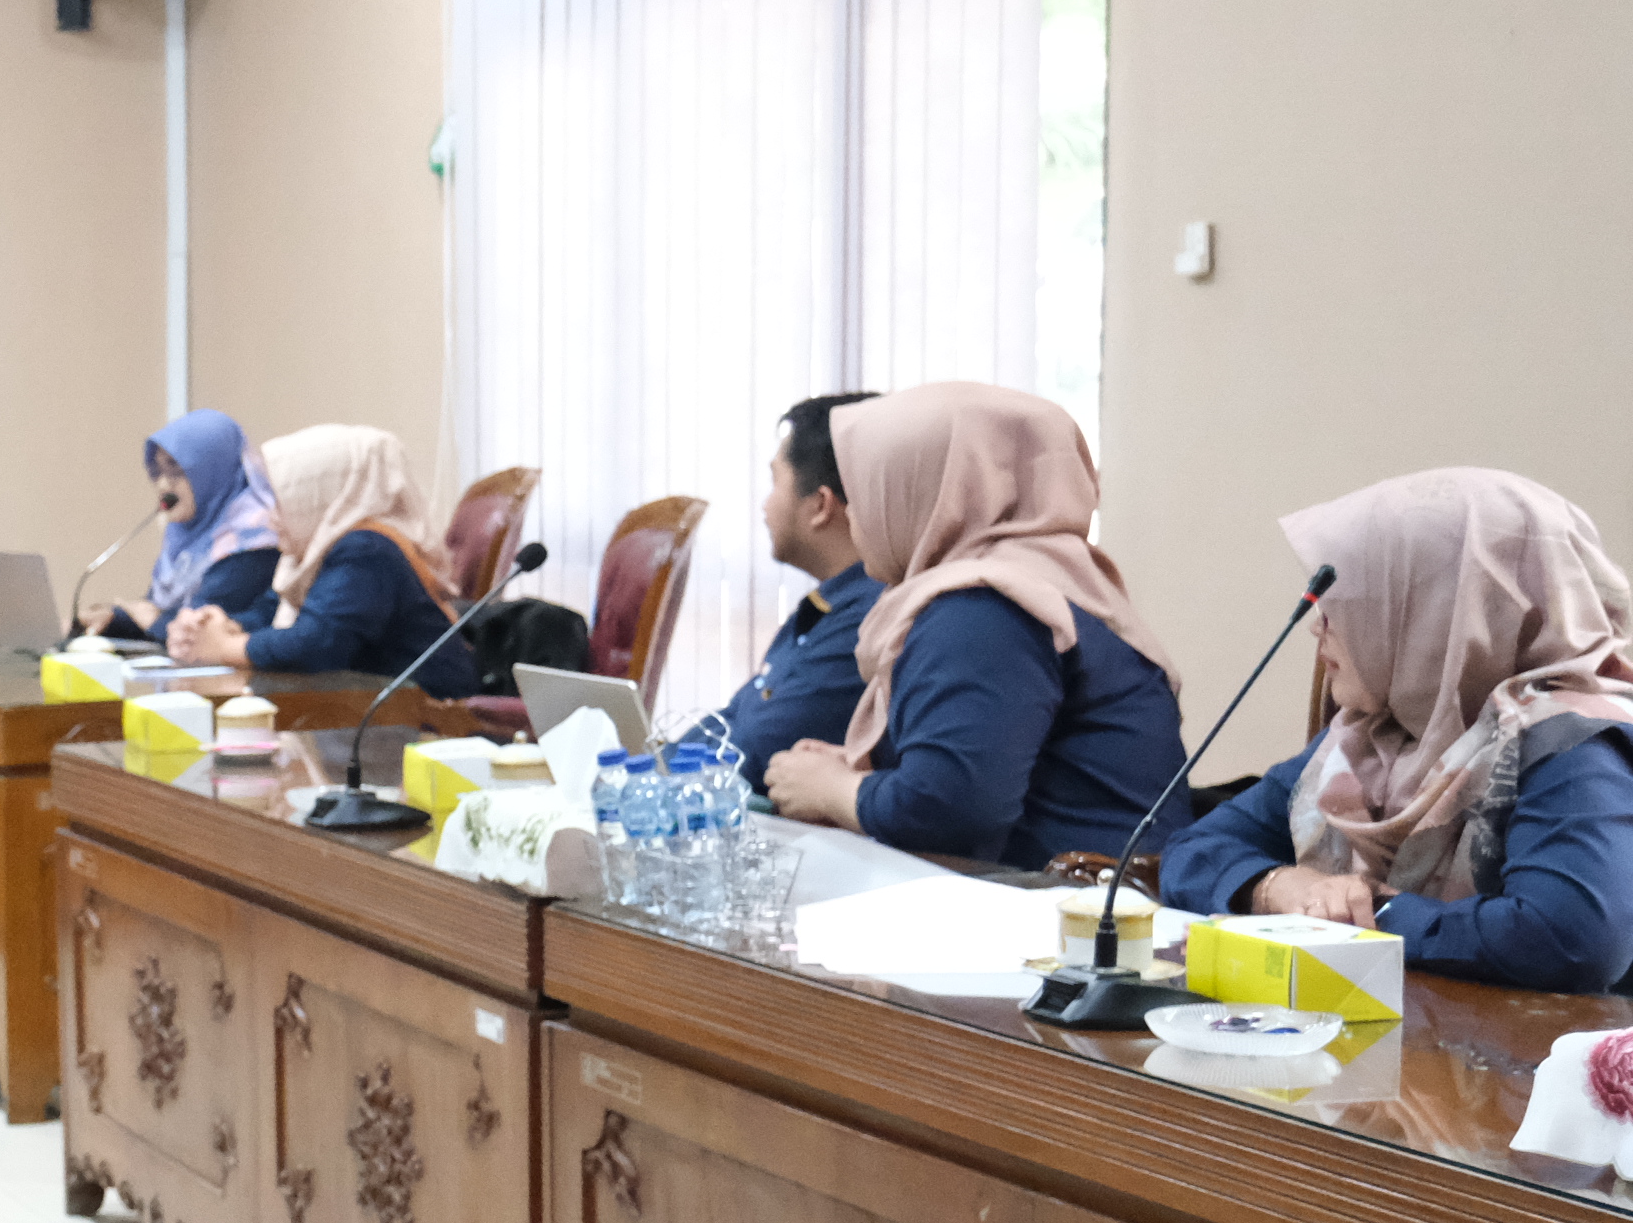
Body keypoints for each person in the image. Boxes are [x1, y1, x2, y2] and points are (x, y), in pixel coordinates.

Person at [1160, 470, 1633, 992]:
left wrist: (1366, 912)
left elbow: (1571, 941)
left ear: (1441, 611)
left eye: (1347, 605)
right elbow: (1192, 851)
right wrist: (1280, 887)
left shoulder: (1572, 744)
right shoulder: (1370, 737)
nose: (1318, 626)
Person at [762, 383, 1189, 867]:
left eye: (865, 491)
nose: (856, 513)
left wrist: (835, 791)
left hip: (1063, 903)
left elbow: (950, 809)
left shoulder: (982, 607)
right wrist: (858, 773)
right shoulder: (1043, 579)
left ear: (924, 494)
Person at [162, 424, 477, 694]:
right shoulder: (313, 551)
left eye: (279, 499)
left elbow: (317, 644)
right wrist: (216, 626)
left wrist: (223, 648)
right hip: (367, 719)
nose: (268, 517)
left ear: (318, 494)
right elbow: (272, 612)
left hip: (429, 722)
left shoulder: (367, 549)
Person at [688, 393, 885, 786]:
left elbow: (756, 752)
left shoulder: (867, 617)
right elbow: (734, 719)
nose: (764, 506)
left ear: (820, 505)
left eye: (775, 481)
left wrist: (656, 774)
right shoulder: (827, 605)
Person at [102, 410, 283, 639]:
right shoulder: (186, 534)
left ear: (214, 470)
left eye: (176, 470)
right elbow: (158, 612)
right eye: (157, 472)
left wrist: (153, 621)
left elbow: (197, 630)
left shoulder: (250, 540)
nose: (163, 485)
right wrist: (111, 620)